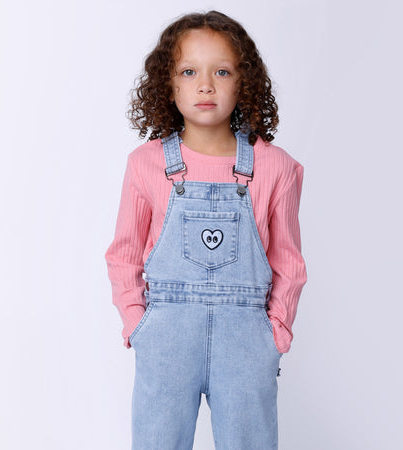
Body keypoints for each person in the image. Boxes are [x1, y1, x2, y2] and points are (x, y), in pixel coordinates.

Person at [105, 10, 307, 450]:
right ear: (168, 84)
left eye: (222, 71)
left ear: (244, 81)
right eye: (189, 71)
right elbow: (123, 254)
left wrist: (276, 333)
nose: (206, 85)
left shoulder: (276, 168)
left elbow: (289, 262)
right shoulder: (146, 164)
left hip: (247, 343)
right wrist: (138, 326)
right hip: (166, 340)